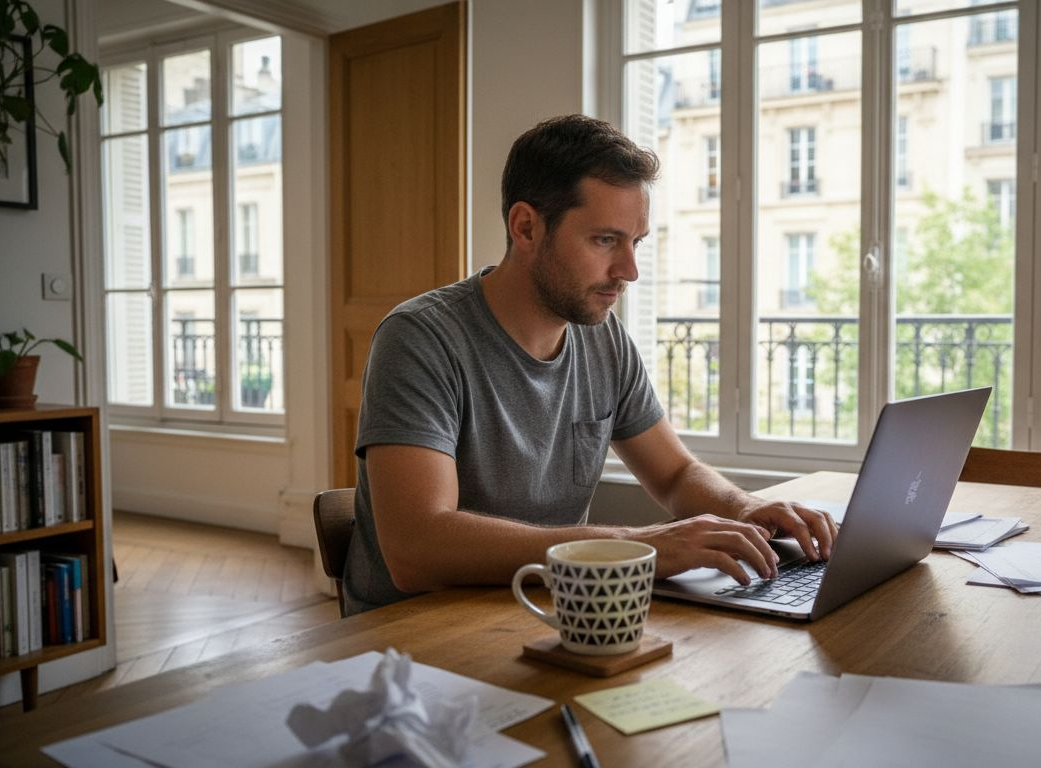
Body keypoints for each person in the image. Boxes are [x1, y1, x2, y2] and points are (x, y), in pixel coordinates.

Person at [343, 114, 836, 615]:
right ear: (526, 226)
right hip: (412, 640)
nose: (629, 271)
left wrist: (743, 507)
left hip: (546, 611)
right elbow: (416, 549)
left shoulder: (602, 336)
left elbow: (675, 473)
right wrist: (634, 546)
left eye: (635, 242)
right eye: (605, 240)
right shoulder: (421, 339)